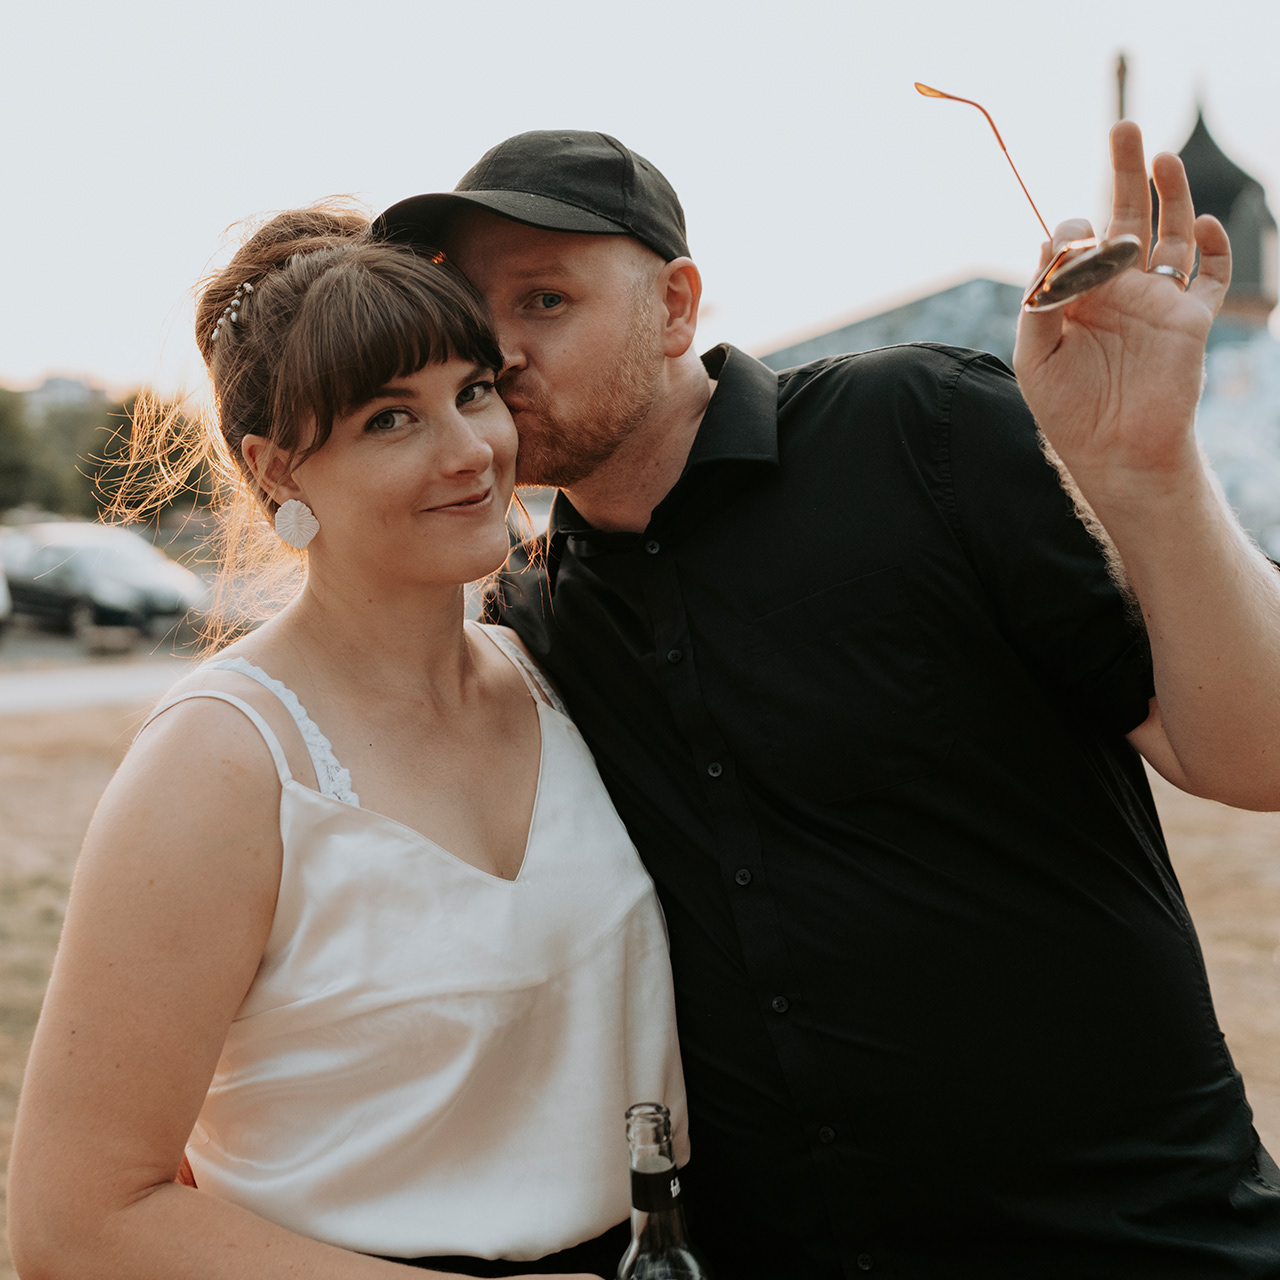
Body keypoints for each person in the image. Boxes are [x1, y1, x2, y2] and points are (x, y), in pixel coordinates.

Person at [372, 125, 1280, 1278]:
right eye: (468, 311)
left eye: (543, 300)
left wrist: (1150, 475)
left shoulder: (919, 427)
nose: (496, 350)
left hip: (1136, 1239)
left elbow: (1255, 756)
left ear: (673, 306)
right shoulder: (527, 619)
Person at [7, 207, 688, 1280]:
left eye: (472, 390)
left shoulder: (554, 669)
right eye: (389, 418)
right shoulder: (223, 761)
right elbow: (72, 1224)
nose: (470, 451)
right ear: (276, 468)